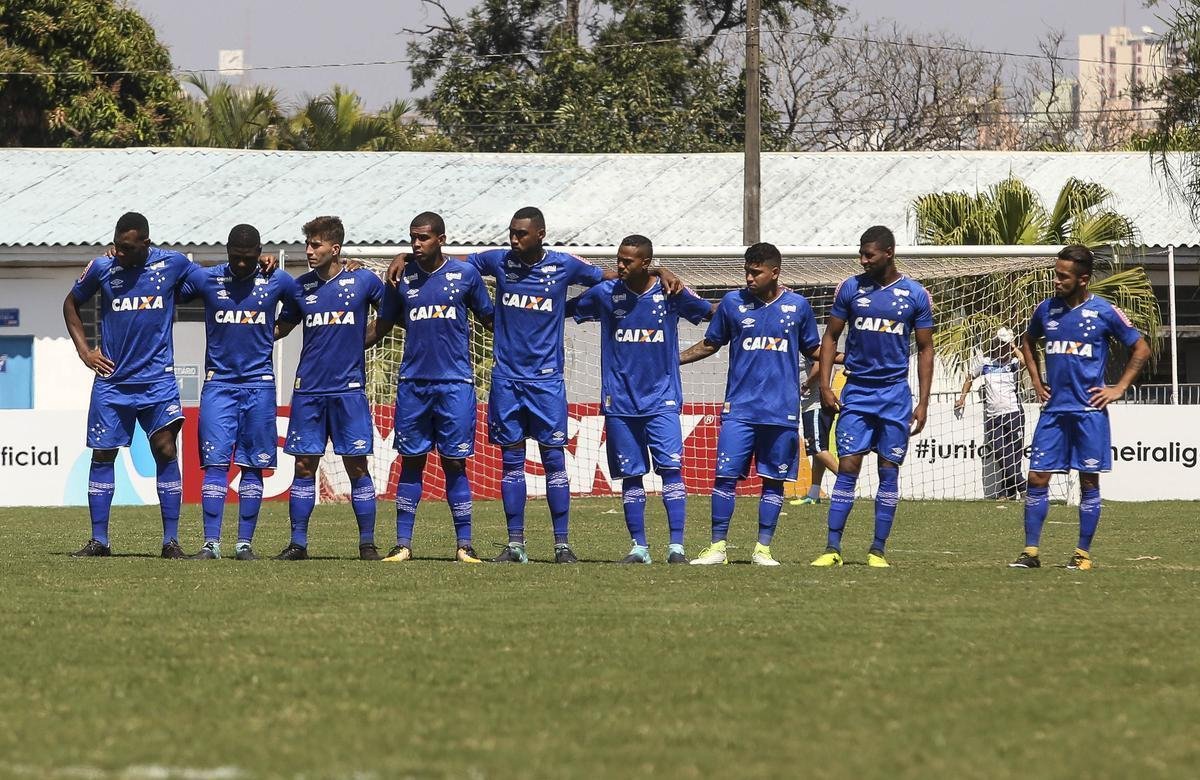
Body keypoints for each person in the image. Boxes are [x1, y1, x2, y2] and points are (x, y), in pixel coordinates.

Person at [386, 206, 680, 564]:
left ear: (540, 234)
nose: (514, 239)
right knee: (511, 462)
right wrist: (404, 254)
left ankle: (561, 545)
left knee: (554, 460)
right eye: (511, 232)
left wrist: (655, 270)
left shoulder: (564, 265)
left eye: (521, 233)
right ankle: (515, 545)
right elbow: (451, 259)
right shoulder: (498, 261)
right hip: (507, 380)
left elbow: (610, 277)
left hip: (546, 382)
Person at [568, 234, 713, 564]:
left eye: (627, 261)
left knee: (671, 471)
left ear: (645, 263)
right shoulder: (606, 294)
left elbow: (708, 311)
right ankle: (639, 547)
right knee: (631, 476)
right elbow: (565, 310)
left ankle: (676, 547)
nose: (619, 265)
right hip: (618, 402)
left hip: (662, 400)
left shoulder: (670, 292)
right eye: (618, 258)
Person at [1009, 245, 1149, 571]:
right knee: (1037, 477)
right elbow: (1028, 342)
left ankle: (1082, 554)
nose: (1056, 281)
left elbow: (1141, 349)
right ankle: (1030, 552)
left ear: (1083, 279)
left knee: (1088, 482)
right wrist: (1035, 378)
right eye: (1055, 275)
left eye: (1063, 276)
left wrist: (1119, 388)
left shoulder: (1104, 311)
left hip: (1089, 413)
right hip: (1054, 412)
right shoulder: (1045, 310)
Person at [63, 212, 195, 558]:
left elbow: (216, 281)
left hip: (157, 381)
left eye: (126, 248)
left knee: (166, 449)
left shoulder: (173, 264)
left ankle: (171, 542)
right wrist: (85, 351)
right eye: (117, 246)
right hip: (113, 382)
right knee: (103, 453)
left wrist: (259, 265)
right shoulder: (102, 268)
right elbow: (71, 303)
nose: (118, 253)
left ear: (145, 244)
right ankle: (99, 541)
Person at [681, 242, 821, 566]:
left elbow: (814, 351)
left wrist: (842, 361)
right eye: (746, 271)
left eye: (756, 272)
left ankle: (763, 549)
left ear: (775, 272)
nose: (749, 277)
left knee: (773, 481)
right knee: (724, 478)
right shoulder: (732, 303)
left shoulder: (798, 307)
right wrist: (673, 360)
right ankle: (717, 547)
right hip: (739, 410)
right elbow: (709, 344)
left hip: (781, 410)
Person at [366, 212, 494, 564]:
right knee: (411, 462)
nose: (417, 244)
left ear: (441, 238)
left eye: (423, 237)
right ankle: (403, 544)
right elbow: (382, 326)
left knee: (455, 464)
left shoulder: (465, 275)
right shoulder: (401, 277)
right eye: (412, 238)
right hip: (413, 385)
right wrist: (339, 346)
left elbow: (489, 320)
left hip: (455, 384)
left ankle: (464, 545)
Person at [811, 225, 934, 569]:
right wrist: (824, 384)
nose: (863, 260)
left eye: (870, 254)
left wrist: (922, 401)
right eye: (861, 254)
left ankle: (877, 550)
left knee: (888, 471)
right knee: (848, 467)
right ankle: (832, 548)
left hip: (895, 395)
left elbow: (926, 349)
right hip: (858, 392)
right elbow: (830, 338)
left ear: (889, 253)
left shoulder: (915, 294)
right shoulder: (850, 289)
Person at [180, 224, 303, 560]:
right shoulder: (208, 278)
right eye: (237, 258)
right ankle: (211, 544)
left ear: (259, 252)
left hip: (259, 385)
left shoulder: (276, 279)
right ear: (227, 252)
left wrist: (273, 332)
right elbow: (170, 287)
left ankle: (244, 544)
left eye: (249, 258)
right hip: (218, 384)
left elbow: (302, 302)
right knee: (216, 465)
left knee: (253, 466)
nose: (244, 264)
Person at [274, 216, 386, 561]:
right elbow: (282, 328)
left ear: (334, 248)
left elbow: (391, 313)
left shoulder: (363, 281)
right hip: (308, 390)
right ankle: (298, 544)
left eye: (316, 245)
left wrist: (363, 340)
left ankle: (367, 544)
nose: (309, 251)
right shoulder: (299, 287)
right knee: (304, 466)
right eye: (308, 244)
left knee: (357, 467)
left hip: (348, 391)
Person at [954, 327, 1026, 501]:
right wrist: (962, 398)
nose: (1002, 347)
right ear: (994, 343)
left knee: (1014, 454)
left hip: (1014, 413)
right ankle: (1023, 486)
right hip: (993, 415)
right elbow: (970, 378)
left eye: (1005, 344)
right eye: (1000, 343)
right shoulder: (985, 362)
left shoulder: (1013, 362)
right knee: (1001, 451)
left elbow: (1025, 362)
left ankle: (1006, 492)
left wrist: (1014, 347)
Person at [791, 357, 840, 506]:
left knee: (816, 448)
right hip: (816, 405)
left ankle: (846, 481)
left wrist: (806, 384)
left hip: (816, 404)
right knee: (819, 451)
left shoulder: (809, 347)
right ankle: (813, 494)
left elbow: (821, 364)